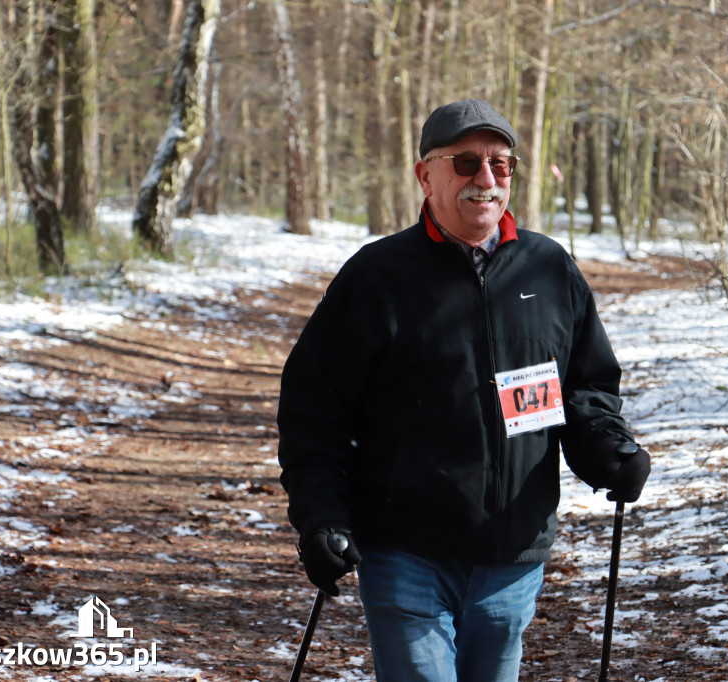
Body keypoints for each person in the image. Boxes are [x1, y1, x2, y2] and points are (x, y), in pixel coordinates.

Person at [277, 98, 650, 682]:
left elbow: (585, 391)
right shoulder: (377, 278)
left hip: (514, 555)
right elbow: (314, 413)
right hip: (406, 551)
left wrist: (609, 451)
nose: (486, 178)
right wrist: (321, 517)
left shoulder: (549, 270)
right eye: (467, 162)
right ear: (426, 175)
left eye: (501, 164)